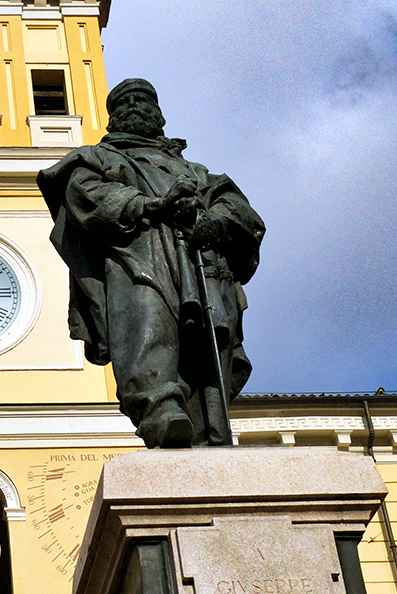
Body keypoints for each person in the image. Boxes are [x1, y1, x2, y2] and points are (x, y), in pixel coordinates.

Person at [36, 78, 264, 448]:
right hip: (137, 256)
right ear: (114, 117)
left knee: (208, 347)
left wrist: (209, 220)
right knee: (146, 329)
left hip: (200, 263)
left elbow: (238, 209)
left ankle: (208, 425)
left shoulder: (196, 171)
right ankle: (159, 410)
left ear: (158, 114)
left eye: (145, 101)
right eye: (126, 103)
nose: (136, 108)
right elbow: (85, 194)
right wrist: (149, 205)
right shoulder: (98, 158)